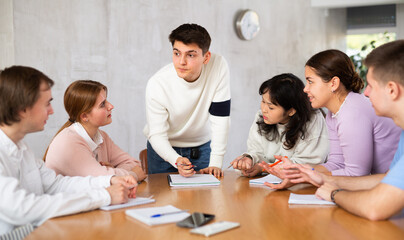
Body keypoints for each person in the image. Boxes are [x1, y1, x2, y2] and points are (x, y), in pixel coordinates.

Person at [0, 66, 137, 237]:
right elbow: (23, 208)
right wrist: (104, 196)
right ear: (22, 109)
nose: (52, 110)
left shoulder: (21, 148)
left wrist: (110, 180)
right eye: (46, 103)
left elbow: (56, 184)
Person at [283, 40, 404, 221]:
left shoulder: (353, 110)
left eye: (371, 85)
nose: (366, 93)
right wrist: (309, 175)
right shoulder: (335, 114)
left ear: (392, 89)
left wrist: (334, 193)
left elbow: (374, 204)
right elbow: (384, 177)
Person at [292, 49, 399, 176]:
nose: (305, 89)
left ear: (333, 83)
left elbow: (357, 174)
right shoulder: (333, 115)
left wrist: (312, 176)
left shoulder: (352, 112)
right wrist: (296, 171)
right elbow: (337, 164)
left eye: (310, 81)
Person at [143, 23, 230, 178]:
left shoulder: (218, 66)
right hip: (164, 149)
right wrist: (175, 160)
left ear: (206, 57)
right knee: (163, 198)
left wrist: (216, 162)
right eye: (177, 53)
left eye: (190, 55)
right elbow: (156, 134)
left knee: (203, 200)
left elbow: (221, 118)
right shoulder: (157, 83)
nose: (181, 62)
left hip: (202, 148)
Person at [229, 73, 328, 178]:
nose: (264, 110)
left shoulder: (312, 120)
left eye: (271, 107)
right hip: (270, 183)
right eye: (263, 101)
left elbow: (306, 164)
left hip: (306, 184)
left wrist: (263, 168)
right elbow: (256, 151)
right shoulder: (261, 116)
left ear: (291, 111)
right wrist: (249, 159)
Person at [45, 80, 146, 182]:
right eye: (102, 104)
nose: (111, 106)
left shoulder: (102, 137)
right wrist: (132, 175)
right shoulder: (69, 142)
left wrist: (113, 171)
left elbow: (134, 164)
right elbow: (103, 179)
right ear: (84, 116)